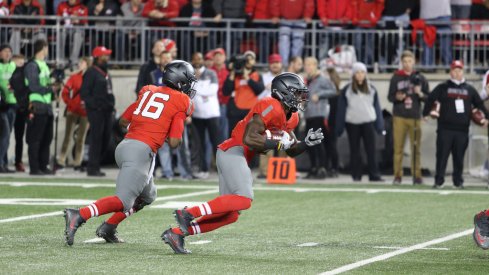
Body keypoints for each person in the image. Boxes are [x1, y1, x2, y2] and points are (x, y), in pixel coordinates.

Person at [162, 73, 324, 254]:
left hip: (237, 156)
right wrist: (277, 142)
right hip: (233, 150)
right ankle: (188, 213)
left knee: (230, 215)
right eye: (297, 93)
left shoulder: (291, 117)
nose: (300, 98)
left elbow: (291, 149)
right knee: (244, 199)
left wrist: (305, 143)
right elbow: (249, 138)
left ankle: (176, 234)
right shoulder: (270, 104)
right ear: (284, 92)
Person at [63, 60, 197, 245]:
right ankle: (79, 214)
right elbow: (175, 142)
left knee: (147, 196)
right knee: (124, 201)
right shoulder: (182, 101)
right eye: (189, 81)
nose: (190, 86)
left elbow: (122, 122)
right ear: (181, 81)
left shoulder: (149, 91)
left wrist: (145, 129)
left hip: (125, 146)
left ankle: (109, 227)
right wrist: (160, 132)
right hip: (141, 153)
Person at [423, 60, 489, 189]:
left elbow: (479, 104)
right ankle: (439, 181)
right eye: (455, 70)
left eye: (459, 70)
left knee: (459, 158)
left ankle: (458, 181)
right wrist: (425, 113)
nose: (457, 73)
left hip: (462, 129)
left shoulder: (469, 89)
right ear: (450, 72)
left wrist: (487, 117)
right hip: (444, 129)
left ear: (463, 71)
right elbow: (430, 99)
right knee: (442, 156)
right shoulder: (443, 87)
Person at [336, 62, 384, 182]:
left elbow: (377, 108)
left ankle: (374, 174)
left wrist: (379, 126)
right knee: (354, 150)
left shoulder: (372, 88)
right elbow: (341, 109)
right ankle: (356, 175)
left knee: (371, 150)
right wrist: (339, 127)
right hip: (352, 123)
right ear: (353, 74)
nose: (360, 75)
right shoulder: (347, 90)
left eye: (362, 72)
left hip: (368, 122)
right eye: (357, 72)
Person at [388, 51, 429, 185]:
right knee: (398, 148)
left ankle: (417, 175)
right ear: (401, 62)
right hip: (399, 116)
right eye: (404, 61)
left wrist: (420, 93)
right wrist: (397, 98)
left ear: (414, 62)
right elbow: (390, 97)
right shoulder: (396, 77)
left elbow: (428, 98)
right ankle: (397, 175)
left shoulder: (420, 78)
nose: (407, 64)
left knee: (416, 148)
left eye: (409, 61)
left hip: (415, 116)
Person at [25, 39, 60, 175]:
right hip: (37, 105)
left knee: (47, 138)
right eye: (47, 48)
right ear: (43, 48)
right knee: (35, 138)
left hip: (46, 106)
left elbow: (45, 84)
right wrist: (51, 89)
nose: (48, 50)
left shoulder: (43, 65)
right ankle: (34, 168)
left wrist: (53, 88)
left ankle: (43, 165)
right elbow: (34, 86)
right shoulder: (32, 65)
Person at [80, 46, 115, 177]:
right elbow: (85, 93)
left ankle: (96, 164)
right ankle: (92, 167)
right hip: (96, 111)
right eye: (104, 55)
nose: (107, 58)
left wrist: (111, 105)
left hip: (107, 111)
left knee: (105, 138)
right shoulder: (91, 73)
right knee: (96, 139)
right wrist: (95, 106)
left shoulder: (105, 72)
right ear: (98, 58)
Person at [303, 56, 337, 179]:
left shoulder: (322, 79)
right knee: (309, 143)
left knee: (317, 142)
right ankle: (314, 167)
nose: (307, 67)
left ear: (315, 65)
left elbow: (333, 91)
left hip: (319, 114)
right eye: (306, 64)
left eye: (309, 64)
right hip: (309, 114)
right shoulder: (307, 80)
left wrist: (320, 95)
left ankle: (322, 168)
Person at [56, 57, 91, 171]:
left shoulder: (91, 78)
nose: (79, 64)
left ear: (87, 64)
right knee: (68, 136)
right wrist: (70, 103)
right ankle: (61, 159)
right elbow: (65, 92)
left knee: (81, 138)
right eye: (79, 62)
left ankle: (78, 161)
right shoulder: (74, 77)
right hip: (73, 110)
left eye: (82, 62)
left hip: (85, 112)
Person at [191, 52, 220, 179]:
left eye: (199, 58)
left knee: (217, 142)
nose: (197, 60)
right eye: (195, 58)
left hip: (212, 113)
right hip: (197, 114)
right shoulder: (189, 74)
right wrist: (199, 90)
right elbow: (188, 92)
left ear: (203, 60)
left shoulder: (211, 73)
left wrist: (196, 87)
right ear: (192, 60)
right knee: (200, 144)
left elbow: (212, 91)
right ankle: (203, 169)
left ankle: (222, 169)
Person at [223, 51, 264, 136]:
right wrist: (232, 74)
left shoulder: (257, 75)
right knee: (235, 136)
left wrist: (247, 78)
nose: (248, 60)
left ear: (255, 61)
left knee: (251, 136)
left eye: (251, 58)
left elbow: (259, 90)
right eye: (246, 59)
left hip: (251, 111)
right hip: (235, 111)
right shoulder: (235, 74)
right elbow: (226, 91)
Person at [257, 54, 283, 179]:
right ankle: (265, 171)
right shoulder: (263, 77)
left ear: (281, 64)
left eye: (277, 62)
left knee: (285, 143)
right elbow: (258, 96)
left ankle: (282, 171)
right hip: (267, 114)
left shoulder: (286, 77)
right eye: (273, 62)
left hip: (283, 114)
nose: (275, 64)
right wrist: (265, 88)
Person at [270, 0, 314, 66]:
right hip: (284, 20)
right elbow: (275, 2)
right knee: (284, 41)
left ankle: (295, 65)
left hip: (300, 20)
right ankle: (284, 65)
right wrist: (275, 15)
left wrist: (307, 15)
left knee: (298, 43)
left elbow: (309, 3)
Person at [419, 0, 452, 67]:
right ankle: (429, 65)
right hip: (429, 15)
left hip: (439, 14)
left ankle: (429, 65)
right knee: (429, 42)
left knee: (442, 43)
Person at [56, 0, 88, 67]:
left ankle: (73, 60)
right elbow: (57, 19)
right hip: (65, 28)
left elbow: (85, 21)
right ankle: (61, 60)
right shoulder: (62, 5)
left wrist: (78, 20)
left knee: (78, 34)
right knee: (61, 33)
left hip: (77, 28)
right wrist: (64, 19)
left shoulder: (82, 7)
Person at [10, 54, 27, 172]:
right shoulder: (8, 71)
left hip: (20, 108)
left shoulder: (25, 74)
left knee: (19, 137)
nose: (21, 64)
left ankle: (18, 161)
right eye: (19, 62)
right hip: (8, 107)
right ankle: (3, 160)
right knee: (4, 136)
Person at [0, 44, 16, 173]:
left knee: (7, 135)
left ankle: (3, 163)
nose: (7, 53)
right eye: (5, 51)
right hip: (1, 106)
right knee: (4, 134)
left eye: (9, 51)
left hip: (12, 104)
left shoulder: (13, 66)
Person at [210, 48, 229, 140]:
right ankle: (208, 155)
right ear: (213, 58)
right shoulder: (208, 72)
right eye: (216, 56)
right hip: (211, 106)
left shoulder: (229, 71)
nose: (218, 58)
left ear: (224, 57)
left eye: (220, 55)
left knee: (224, 133)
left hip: (225, 105)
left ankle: (222, 154)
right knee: (210, 134)